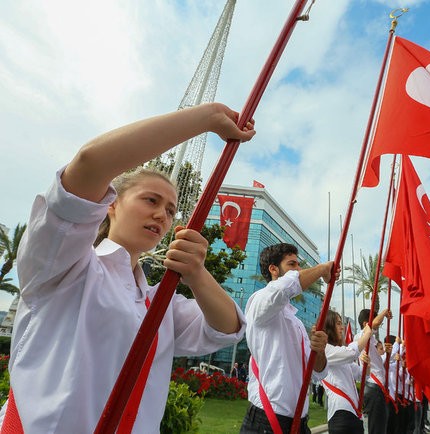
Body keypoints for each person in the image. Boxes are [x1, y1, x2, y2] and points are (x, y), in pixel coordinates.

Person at [0, 102, 255, 432]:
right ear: (111, 204)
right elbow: (89, 163)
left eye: (171, 209)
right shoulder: (62, 265)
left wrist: (197, 273)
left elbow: (227, 327)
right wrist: (204, 119)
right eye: (151, 200)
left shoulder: (158, 303)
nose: (163, 215)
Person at [240, 243, 338, 434]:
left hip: (300, 423)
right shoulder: (259, 301)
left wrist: (319, 350)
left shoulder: (296, 323)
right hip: (266, 422)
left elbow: (318, 372)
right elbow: (283, 289)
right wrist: (322, 269)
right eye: (292, 264)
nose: (299, 270)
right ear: (273, 269)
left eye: (298, 265)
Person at [322, 309, 373, 434]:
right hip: (340, 415)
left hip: (353, 414)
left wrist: (367, 364)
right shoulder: (325, 350)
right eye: (338, 323)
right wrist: (366, 335)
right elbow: (351, 352)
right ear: (329, 326)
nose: (342, 327)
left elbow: (362, 374)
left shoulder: (339, 352)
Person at [354, 308, 393, 434]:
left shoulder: (371, 341)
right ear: (366, 324)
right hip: (374, 387)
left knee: (381, 427)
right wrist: (384, 312)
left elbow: (382, 367)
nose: (378, 326)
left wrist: (388, 355)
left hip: (378, 388)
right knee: (377, 429)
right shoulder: (362, 336)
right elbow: (373, 324)